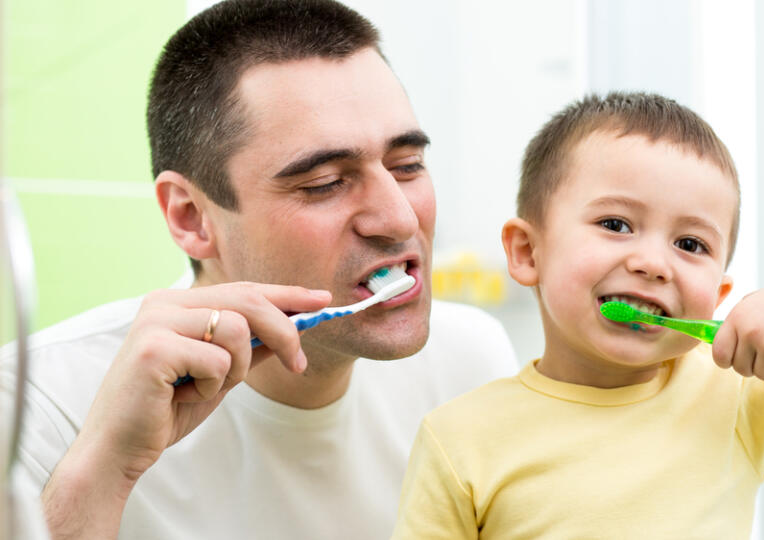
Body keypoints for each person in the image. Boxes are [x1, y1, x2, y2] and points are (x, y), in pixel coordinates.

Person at [0, 1, 518, 538]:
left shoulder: (470, 363)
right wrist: (105, 468)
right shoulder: (35, 407)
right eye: (324, 183)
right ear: (192, 217)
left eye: (407, 166)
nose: (399, 217)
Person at [391, 92, 764, 539]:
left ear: (720, 292)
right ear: (528, 252)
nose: (653, 263)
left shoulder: (735, 397)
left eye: (690, 243)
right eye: (615, 224)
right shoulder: (459, 439)